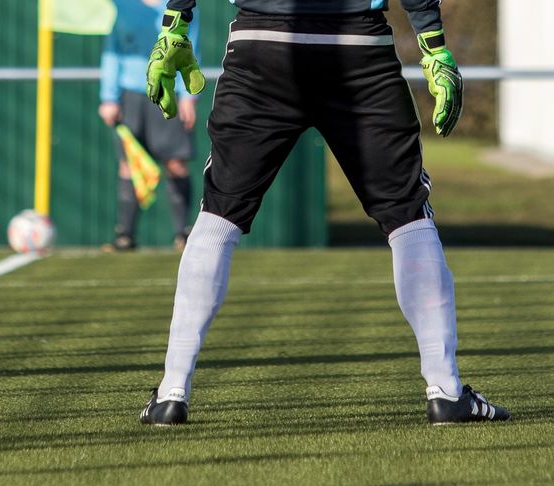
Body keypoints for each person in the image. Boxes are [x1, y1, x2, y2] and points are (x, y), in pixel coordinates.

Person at [139, 0, 510, 425]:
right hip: (356, 47)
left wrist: (175, 23)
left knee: (219, 215)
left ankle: (172, 392)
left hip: (262, 44)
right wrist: (433, 46)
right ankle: (446, 392)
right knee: (408, 217)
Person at [99, 0, 200, 252]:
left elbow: (190, 46)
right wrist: (109, 97)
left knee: (176, 161)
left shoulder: (180, 4)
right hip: (130, 94)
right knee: (129, 164)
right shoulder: (122, 5)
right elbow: (112, 50)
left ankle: (183, 234)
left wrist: (188, 96)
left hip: (168, 91)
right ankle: (125, 235)